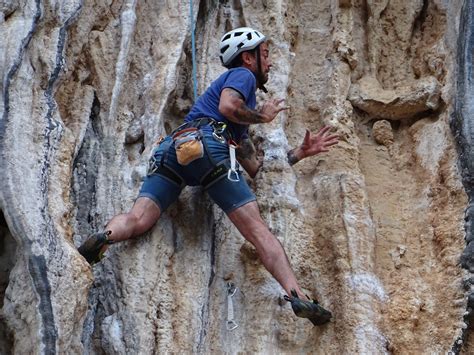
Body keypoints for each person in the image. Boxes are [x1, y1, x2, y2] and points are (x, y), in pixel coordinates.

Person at [78, 27, 338, 326]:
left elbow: (255, 168)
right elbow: (229, 107)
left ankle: (105, 237)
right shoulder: (243, 76)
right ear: (247, 58)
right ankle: (297, 295)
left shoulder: (238, 128)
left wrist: (299, 154)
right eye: (265, 55)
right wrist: (262, 116)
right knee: (258, 232)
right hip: (210, 147)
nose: (269, 63)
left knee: (139, 218)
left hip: (172, 150)